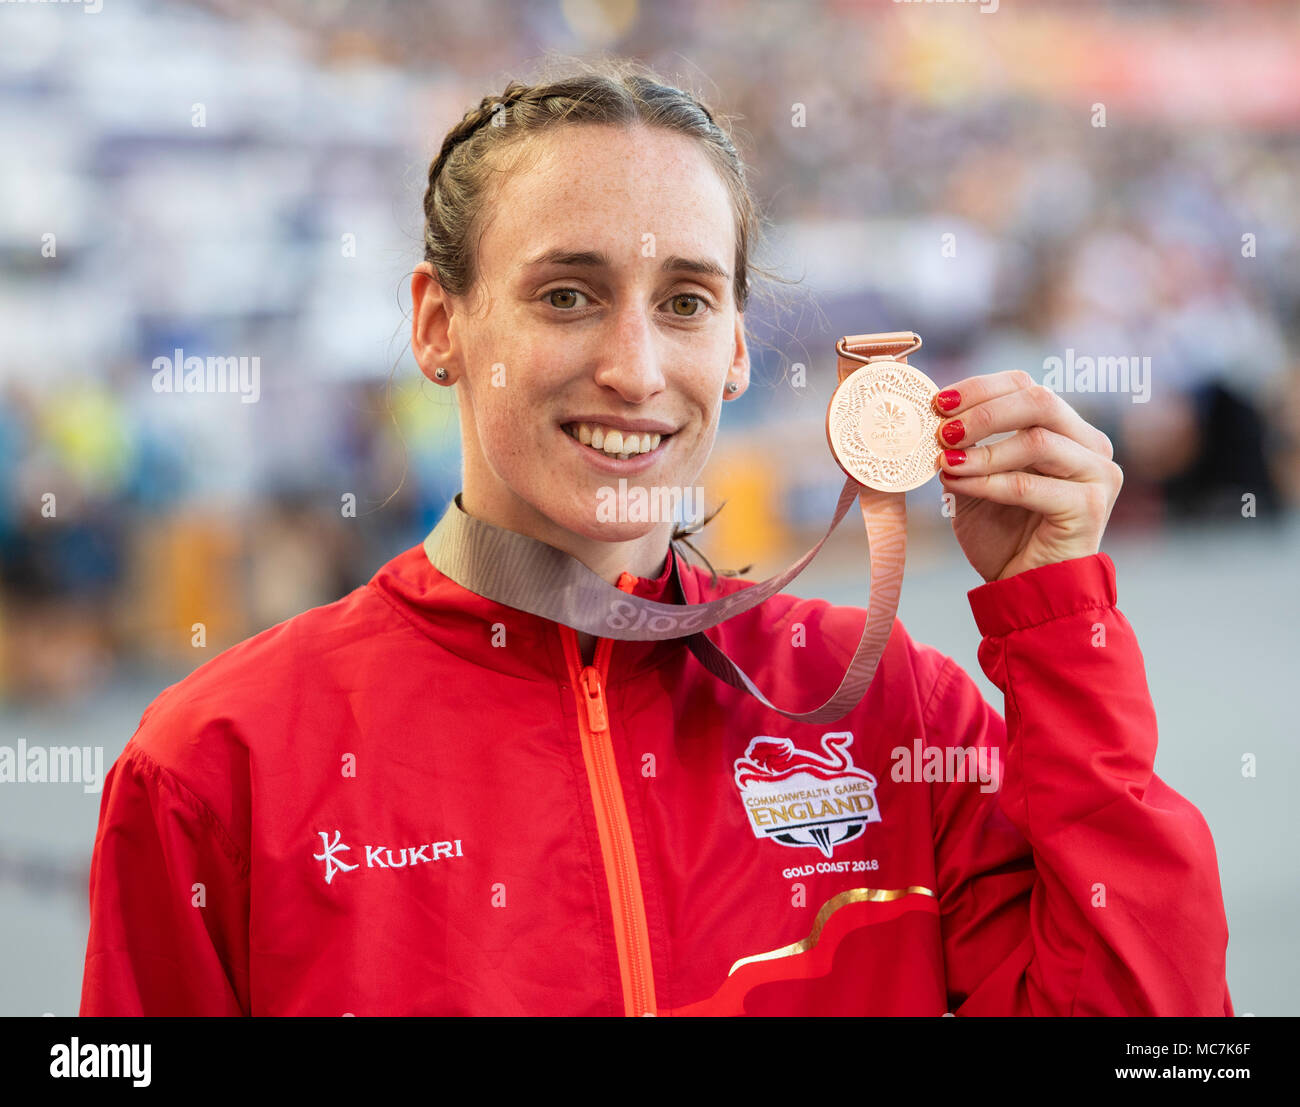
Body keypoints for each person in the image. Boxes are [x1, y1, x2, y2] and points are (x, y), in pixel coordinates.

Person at [80, 59, 1232, 1017]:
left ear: (733, 347)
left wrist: (1058, 620)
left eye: (682, 301)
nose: (634, 369)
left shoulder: (891, 712)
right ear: (438, 323)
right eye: (567, 295)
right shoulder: (218, 767)